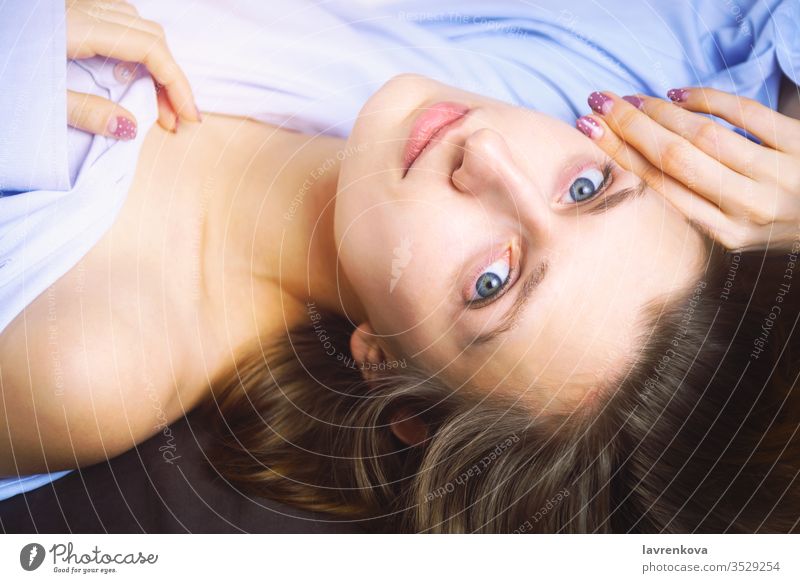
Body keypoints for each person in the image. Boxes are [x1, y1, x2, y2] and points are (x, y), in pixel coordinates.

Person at [1, 0, 799, 532]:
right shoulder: (567, 87)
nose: (487, 154)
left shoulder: (86, 356)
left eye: (493, 281)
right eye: (586, 188)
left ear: (389, 371)